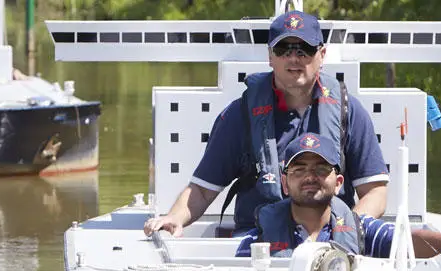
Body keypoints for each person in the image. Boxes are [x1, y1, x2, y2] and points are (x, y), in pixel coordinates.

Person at [144, 11, 391, 238]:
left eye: (304, 49)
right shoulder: (239, 115)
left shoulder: (349, 112)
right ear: (270, 57)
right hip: (257, 240)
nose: (294, 58)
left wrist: (345, 229)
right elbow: (202, 190)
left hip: (330, 241)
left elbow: (375, 192)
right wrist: (175, 218)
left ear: (321, 55)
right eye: (284, 49)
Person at [236, 132, 441, 258]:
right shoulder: (257, 240)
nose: (310, 177)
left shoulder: (360, 229)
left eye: (321, 169)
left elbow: (407, 241)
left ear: (338, 182)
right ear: (285, 184)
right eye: (299, 170)